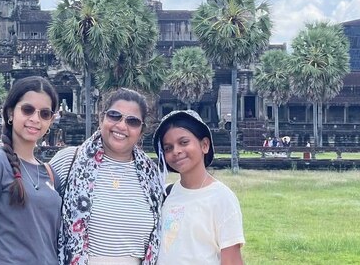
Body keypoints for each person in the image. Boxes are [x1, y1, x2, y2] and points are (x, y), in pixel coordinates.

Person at [50, 88, 163, 265]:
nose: (121, 126)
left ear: (141, 131)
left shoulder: (152, 176)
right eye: (114, 115)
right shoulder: (69, 161)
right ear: (101, 118)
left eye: (132, 121)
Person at [0, 76, 61, 265]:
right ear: (10, 113)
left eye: (44, 114)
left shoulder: (50, 173)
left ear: (50, 121)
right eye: (27, 110)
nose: (35, 119)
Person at [154, 110, 245, 265]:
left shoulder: (221, 198)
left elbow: (232, 260)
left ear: (204, 145)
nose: (176, 151)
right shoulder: (166, 194)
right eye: (168, 148)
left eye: (184, 142)